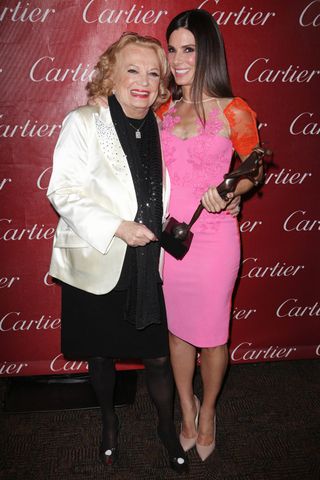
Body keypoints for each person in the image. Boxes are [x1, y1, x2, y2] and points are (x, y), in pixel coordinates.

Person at [47, 32, 189, 473]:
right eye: (132, 69)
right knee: (101, 355)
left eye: (153, 72)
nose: (143, 81)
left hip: (149, 265)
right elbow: (62, 190)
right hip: (100, 257)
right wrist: (117, 227)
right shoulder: (83, 121)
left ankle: (167, 428)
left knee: (158, 357)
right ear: (111, 73)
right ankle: (109, 423)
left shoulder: (164, 130)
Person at [160, 9, 262, 461]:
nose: (178, 59)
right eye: (173, 49)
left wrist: (233, 191)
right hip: (170, 239)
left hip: (216, 236)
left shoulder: (235, 110)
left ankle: (209, 412)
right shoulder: (162, 110)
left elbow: (253, 168)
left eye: (189, 49)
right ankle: (187, 407)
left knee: (213, 336)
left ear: (208, 54)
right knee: (179, 333)